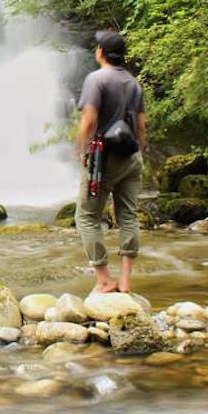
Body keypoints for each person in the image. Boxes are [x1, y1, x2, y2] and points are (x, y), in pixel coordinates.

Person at [74, 29, 148, 294]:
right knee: (128, 215)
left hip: (103, 160)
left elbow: (90, 119)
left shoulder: (96, 79)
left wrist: (80, 148)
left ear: (101, 53)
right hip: (131, 156)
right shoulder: (134, 83)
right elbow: (142, 124)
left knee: (86, 216)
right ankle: (126, 281)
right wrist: (139, 151)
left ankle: (104, 278)